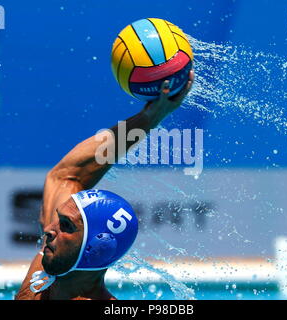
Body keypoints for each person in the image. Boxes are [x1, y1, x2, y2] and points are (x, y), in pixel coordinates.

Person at [15, 71, 194, 300]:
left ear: (96, 250)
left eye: (66, 226)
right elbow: (67, 176)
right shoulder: (50, 272)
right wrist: (149, 118)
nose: (49, 230)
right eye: (60, 220)